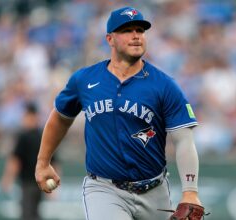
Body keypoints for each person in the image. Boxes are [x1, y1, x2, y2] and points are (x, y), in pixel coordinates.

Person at [35, 6, 204, 220]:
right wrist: (43, 162)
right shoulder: (84, 80)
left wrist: (190, 191)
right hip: (104, 189)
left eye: (140, 30)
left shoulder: (164, 85)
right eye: (127, 30)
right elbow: (60, 118)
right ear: (110, 39)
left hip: (154, 191)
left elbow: (184, 139)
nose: (136, 36)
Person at [1, 102, 58, 220]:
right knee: (35, 213)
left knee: (27, 214)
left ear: (29, 116)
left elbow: (15, 161)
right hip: (41, 184)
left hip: (28, 183)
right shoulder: (44, 135)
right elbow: (55, 162)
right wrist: (53, 186)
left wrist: (8, 179)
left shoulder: (23, 136)